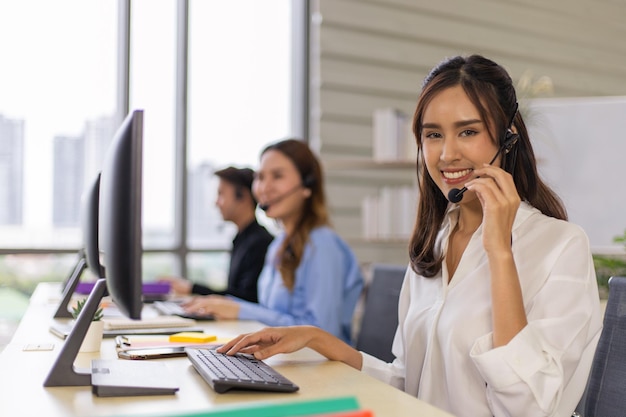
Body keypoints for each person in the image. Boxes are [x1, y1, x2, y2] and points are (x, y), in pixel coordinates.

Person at [215, 55, 603, 417]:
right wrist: (316, 339)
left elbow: (527, 407)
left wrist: (500, 250)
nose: (447, 154)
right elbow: (408, 385)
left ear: (508, 137)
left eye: (468, 131)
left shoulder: (560, 246)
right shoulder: (434, 245)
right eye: (433, 135)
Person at [183, 139, 364, 344]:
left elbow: (321, 332)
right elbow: (271, 313)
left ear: (307, 184)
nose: (264, 187)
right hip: (286, 359)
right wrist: (224, 304)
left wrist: (240, 310)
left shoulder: (322, 245)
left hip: (319, 367)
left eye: (277, 176)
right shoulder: (278, 245)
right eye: (260, 177)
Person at [159, 166, 273, 303]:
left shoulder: (260, 242)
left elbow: (245, 298)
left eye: (221, 194)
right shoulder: (241, 239)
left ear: (243, 196)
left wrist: (192, 288)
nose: (216, 203)